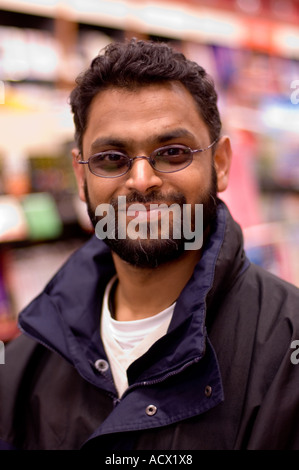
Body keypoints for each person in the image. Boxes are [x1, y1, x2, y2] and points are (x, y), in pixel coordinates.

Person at [1, 38, 299, 451]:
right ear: (80, 176)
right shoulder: (24, 364)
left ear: (221, 164)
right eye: (111, 158)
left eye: (173, 152)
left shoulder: (287, 349)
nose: (141, 181)